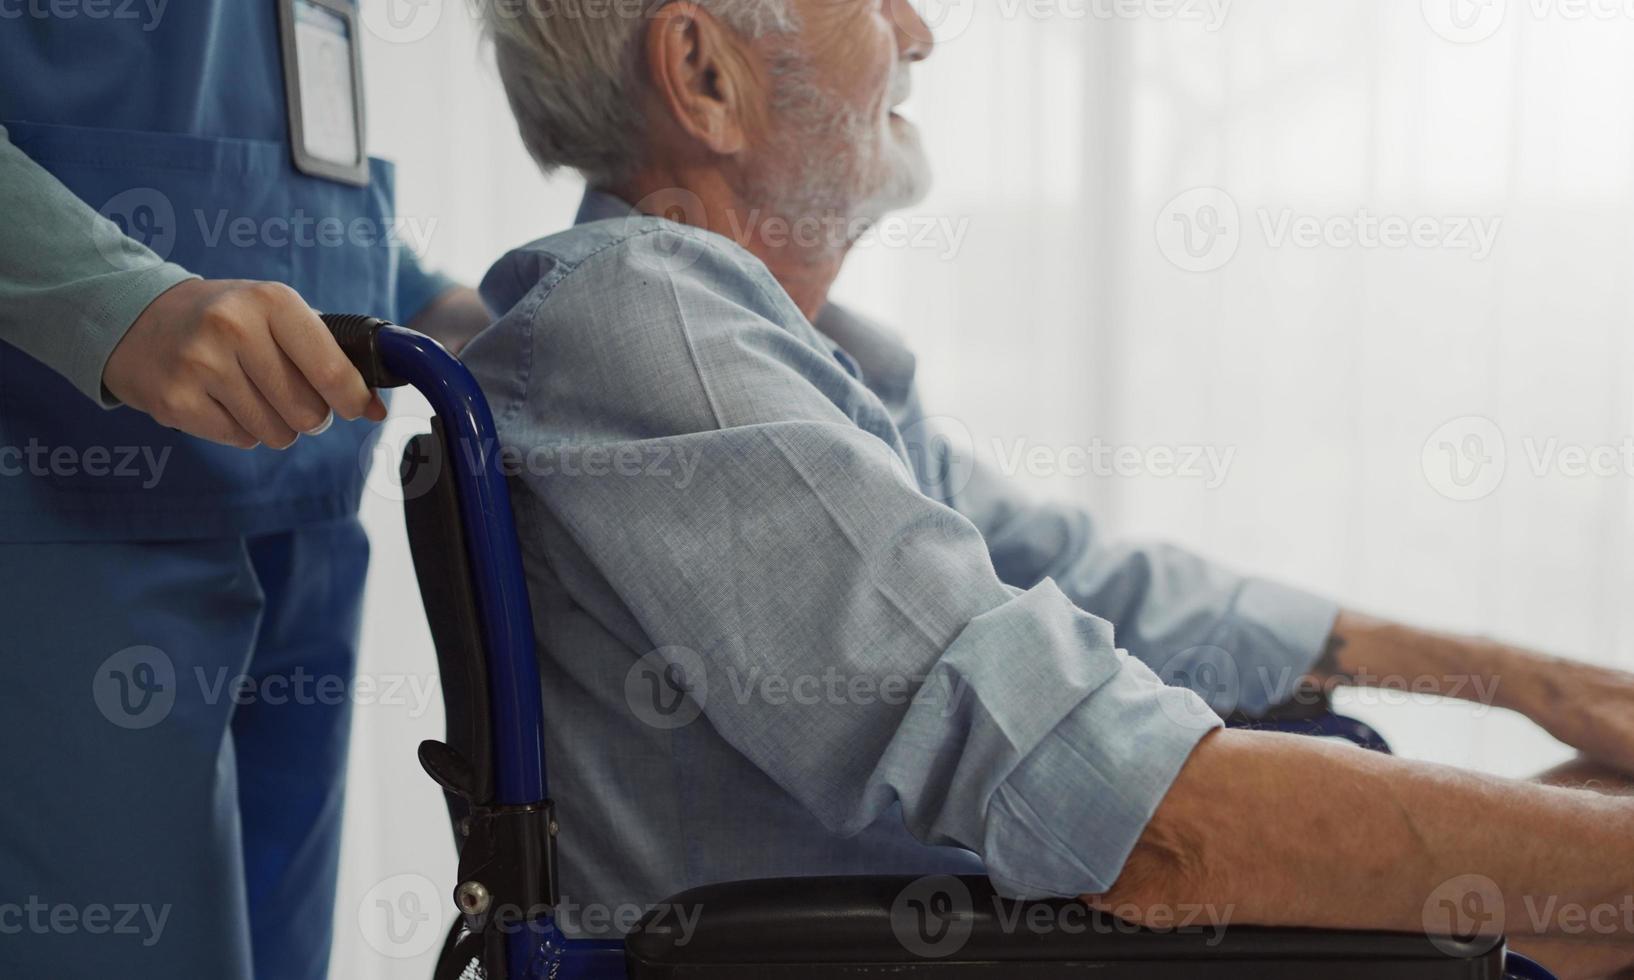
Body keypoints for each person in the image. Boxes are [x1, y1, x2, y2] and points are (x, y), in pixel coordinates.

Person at [462, 1, 1634, 977]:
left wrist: (1532, 682)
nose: (915, 28)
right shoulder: (653, 333)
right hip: (943, 946)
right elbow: (1139, 819)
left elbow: (1080, 576)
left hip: (972, 934)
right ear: (704, 74)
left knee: (1583, 847)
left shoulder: (790, 353)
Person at [0, 5, 489, 978]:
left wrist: (426, 299)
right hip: (63, 493)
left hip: (308, 504)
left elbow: (263, 129)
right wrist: (108, 294)